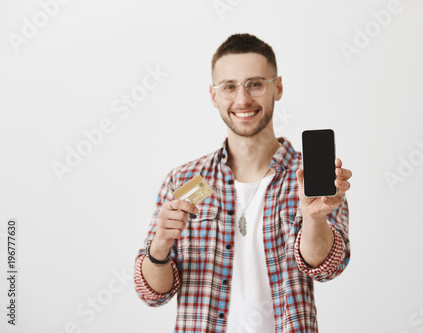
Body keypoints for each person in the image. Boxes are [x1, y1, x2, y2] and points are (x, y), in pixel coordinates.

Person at [134, 33, 352, 332]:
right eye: (229, 87)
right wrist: (159, 247)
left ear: (278, 87)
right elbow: (153, 294)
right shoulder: (186, 181)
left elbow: (327, 268)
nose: (242, 99)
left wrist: (314, 219)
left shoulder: (309, 176)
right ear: (214, 96)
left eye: (255, 83)